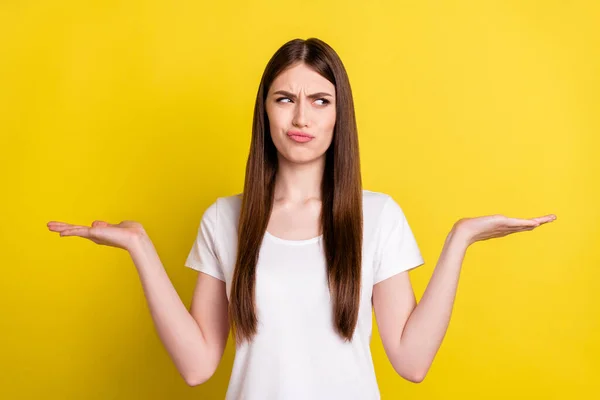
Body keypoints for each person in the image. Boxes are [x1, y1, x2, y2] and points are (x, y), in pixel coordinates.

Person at [47, 37, 556, 399]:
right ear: (265, 111)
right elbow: (198, 366)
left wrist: (460, 238)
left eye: (319, 100)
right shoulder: (225, 219)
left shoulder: (376, 216)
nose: (301, 118)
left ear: (339, 114)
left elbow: (412, 362)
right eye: (285, 99)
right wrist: (140, 247)